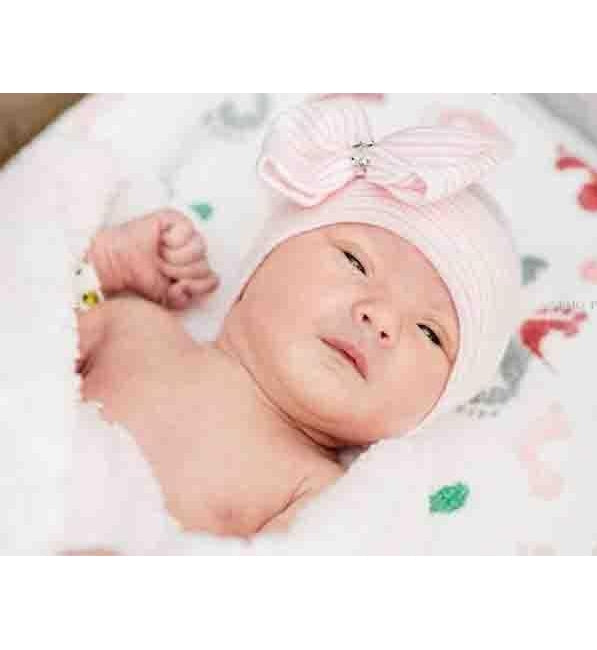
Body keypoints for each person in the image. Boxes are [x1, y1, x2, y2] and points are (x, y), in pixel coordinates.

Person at [75, 98, 522, 537]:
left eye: (430, 332)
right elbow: (35, 325)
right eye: (355, 261)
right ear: (263, 259)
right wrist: (101, 266)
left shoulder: (319, 501)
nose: (381, 317)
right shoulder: (134, 330)